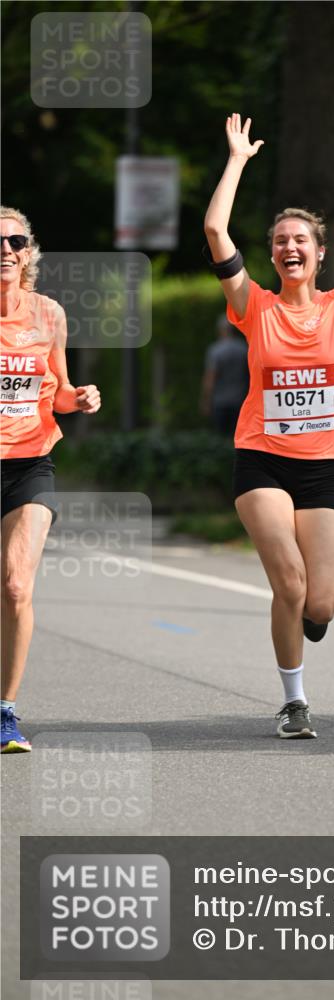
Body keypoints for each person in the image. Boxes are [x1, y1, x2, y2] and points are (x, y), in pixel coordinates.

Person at [203, 108, 334, 739]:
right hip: (260, 458)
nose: (289, 248)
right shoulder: (251, 306)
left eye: (300, 242)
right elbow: (213, 227)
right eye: (280, 241)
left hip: (321, 468)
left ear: (318, 256)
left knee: (322, 602)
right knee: (287, 582)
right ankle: (294, 701)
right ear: (273, 255)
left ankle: (306, 618)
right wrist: (236, 161)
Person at [1, 207, 101, 753]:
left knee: (16, 585)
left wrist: (78, 398)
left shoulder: (48, 314)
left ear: (28, 251)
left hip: (29, 463)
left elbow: (58, 390)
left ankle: (5, 712)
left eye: (15, 240)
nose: (6, 249)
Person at [200, 314, 249, 436]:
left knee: (220, 438)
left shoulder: (215, 350)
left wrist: (205, 400)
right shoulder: (244, 348)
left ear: (221, 330)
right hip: (241, 401)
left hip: (220, 402)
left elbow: (210, 378)